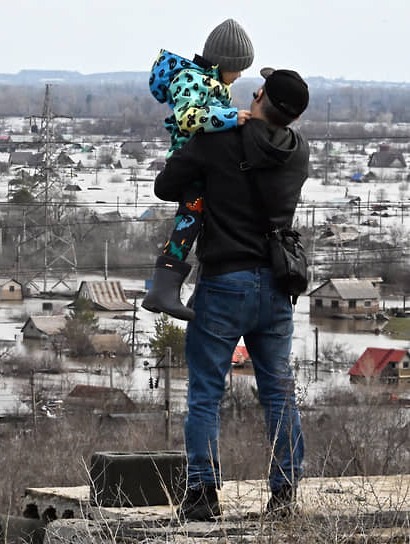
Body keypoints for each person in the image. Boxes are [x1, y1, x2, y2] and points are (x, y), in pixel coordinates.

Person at [154, 68, 310, 521]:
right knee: (280, 393)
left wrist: (209, 129)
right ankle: (284, 496)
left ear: (258, 95)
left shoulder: (218, 142)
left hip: (224, 282)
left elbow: (166, 186)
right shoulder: (299, 153)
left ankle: (202, 495)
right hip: (278, 287)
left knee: (205, 392)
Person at [142, 18, 254, 321]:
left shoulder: (213, 82)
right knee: (189, 219)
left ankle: (180, 292)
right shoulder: (192, 80)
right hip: (189, 163)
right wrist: (232, 118)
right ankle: (163, 290)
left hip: (206, 164)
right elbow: (189, 118)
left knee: (200, 220)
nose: (241, 74)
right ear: (223, 63)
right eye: (238, 68)